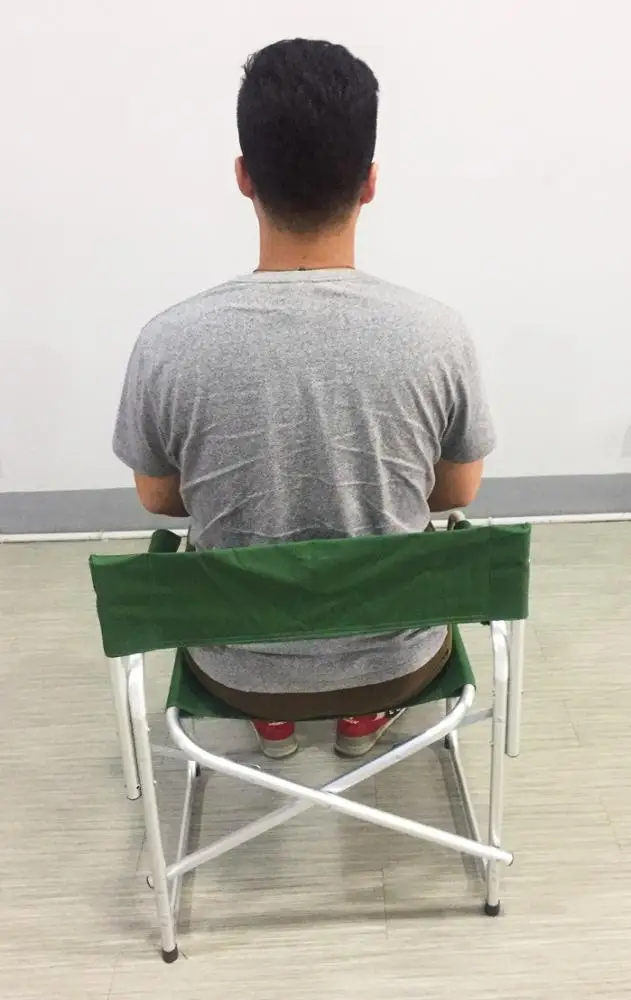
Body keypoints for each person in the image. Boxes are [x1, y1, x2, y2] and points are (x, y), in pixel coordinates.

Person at [113, 38, 495, 760]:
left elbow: (159, 498)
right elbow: (455, 492)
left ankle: (275, 721)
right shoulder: (438, 334)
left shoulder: (168, 341)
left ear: (243, 177)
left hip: (234, 669)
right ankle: (362, 715)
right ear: (370, 182)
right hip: (399, 662)